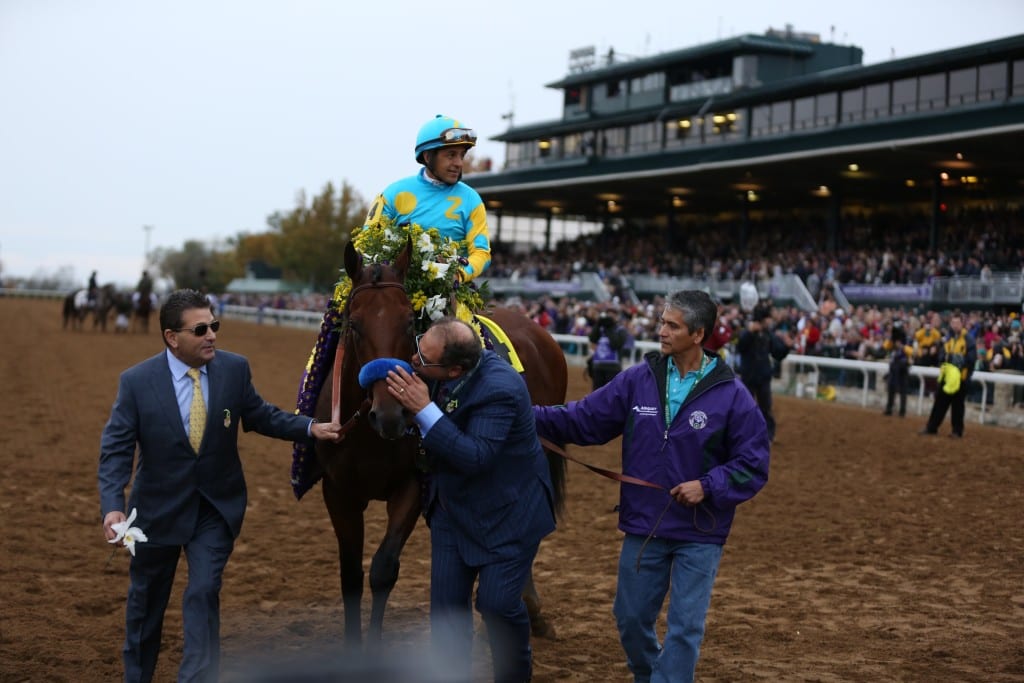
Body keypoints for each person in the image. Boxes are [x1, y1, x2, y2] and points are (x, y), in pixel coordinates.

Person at [98, 289, 342, 683]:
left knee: (203, 591)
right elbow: (115, 451)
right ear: (171, 338)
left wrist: (311, 427)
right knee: (146, 606)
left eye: (214, 325)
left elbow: (262, 416)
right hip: (154, 513)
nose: (211, 334)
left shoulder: (234, 369)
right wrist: (112, 505)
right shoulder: (136, 383)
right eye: (200, 329)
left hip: (215, 508)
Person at [533, 290, 770, 683]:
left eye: (671, 325)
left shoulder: (733, 396)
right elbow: (583, 419)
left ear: (697, 334)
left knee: (684, 629)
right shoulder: (637, 380)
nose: (660, 331)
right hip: (644, 525)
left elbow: (754, 464)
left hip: (700, 530)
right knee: (629, 619)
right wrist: (522, 412)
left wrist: (707, 486)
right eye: (661, 322)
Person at [385, 317, 556, 683]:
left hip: (508, 515)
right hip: (451, 509)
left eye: (424, 357)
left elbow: (475, 457)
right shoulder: (436, 366)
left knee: (496, 605)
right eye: (419, 345)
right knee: (446, 614)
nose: (414, 359)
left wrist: (424, 411)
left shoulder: (501, 388)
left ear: (455, 369)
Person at [364, 114, 492, 282]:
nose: (459, 163)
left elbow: (482, 253)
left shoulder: (471, 199)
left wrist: (457, 274)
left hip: (450, 292)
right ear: (427, 156)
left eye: (462, 155)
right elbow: (367, 242)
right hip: (395, 289)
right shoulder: (392, 194)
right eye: (451, 155)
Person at [735, 303, 792, 442]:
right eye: (768, 318)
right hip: (749, 376)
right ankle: (744, 435)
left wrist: (787, 347)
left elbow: (777, 353)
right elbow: (740, 347)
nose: (770, 321)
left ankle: (768, 435)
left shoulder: (768, 334)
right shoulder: (747, 332)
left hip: (763, 376)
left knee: (765, 408)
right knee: (746, 408)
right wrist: (749, 332)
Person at [920, 312, 977, 438]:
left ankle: (957, 431)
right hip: (946, 377)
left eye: (957, 323)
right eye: (953, 323)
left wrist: (950, 358)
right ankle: (931, 427)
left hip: (961, 379)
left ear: (962, 324)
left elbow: (970, 359)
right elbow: (941, 356)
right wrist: (948, 358)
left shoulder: (969, 340)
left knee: (958, 406)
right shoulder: (948, 338)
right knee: (939, 403)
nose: (955, 325)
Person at [587, 307, 628, 391]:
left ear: (616, 317)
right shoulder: (600, 329)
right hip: (598, 366)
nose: (609, 318)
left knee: (611, 393)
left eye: (612, 316)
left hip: (613, 368)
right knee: (596, 393)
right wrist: (598, 324)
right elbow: (592, 339)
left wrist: (609, 329)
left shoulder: (620, 330)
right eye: (608, 316)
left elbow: (615, 344)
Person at [883, 322, 914, 417]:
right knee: (891, 387)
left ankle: (902, 411)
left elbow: (912, 351)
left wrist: (901, 346)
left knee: (903, 389)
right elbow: (885, 346)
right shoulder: (892, 341)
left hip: (903, 365)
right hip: (894, 365)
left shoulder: (907, 340)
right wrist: (891, 340)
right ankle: (889, 408)